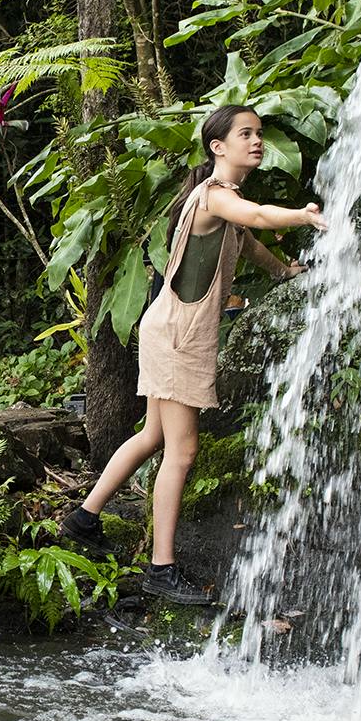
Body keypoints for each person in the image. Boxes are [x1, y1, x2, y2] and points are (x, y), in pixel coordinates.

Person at [61, 104, 327, 604]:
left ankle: (83, 519)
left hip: (167, 328)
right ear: (217, 147)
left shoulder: (220, 202)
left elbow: (247, 243)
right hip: (181, 335)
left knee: (152, 437)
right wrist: (303, 216)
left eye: (259, 134)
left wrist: (283, 273)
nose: (256, 141)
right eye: (245, 134)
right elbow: (254, 217)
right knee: (181, 451)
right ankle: (161, 568)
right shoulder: (215, 198)